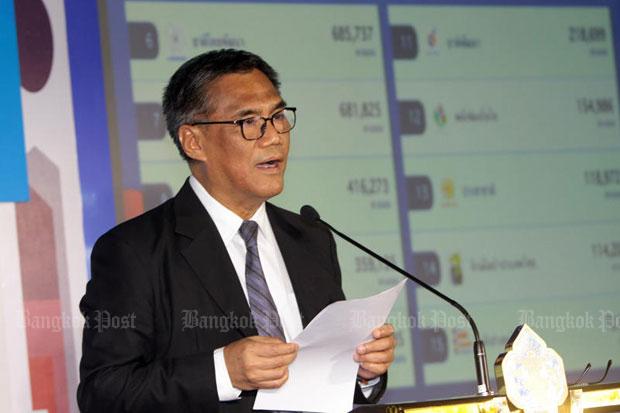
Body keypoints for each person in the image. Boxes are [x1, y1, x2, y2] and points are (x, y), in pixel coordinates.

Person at [77, 49, 396, 412]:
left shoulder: (310, 237)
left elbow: (325, 377)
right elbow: (103, 394)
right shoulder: (134, 252)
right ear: (194, 141)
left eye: (277, 116)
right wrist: (223, 372)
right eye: (249, 121)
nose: (274, 137)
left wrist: (362, 371)